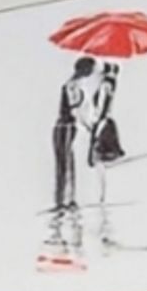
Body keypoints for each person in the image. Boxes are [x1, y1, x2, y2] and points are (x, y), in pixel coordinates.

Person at [48, 55, 98, 250]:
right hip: (67, 127)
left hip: (61, 127)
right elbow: (75, 110)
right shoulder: (74, 86)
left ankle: (62, 200)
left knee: (63, 164)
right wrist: (89, 126)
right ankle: (66, 200)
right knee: (67, 163)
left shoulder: (70, 84)